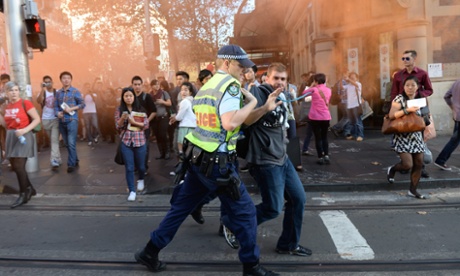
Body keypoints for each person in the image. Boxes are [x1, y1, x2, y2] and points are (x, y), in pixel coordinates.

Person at [134, 44, 281, 276]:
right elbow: (230, 123)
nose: (244, 71)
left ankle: (150, 251)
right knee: (246, 214)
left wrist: (263, 108)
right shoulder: (231, 86)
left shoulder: (208, 86)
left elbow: (236, 121)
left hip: (199, 160)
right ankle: (251, 267)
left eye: (246, 67)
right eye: (240, 66)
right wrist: (253, 103)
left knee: (181, 208)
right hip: (219, 165)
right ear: (226, 63)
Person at [245, 62, 311, 257]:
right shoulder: (257, 93)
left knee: (298, 199)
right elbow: (246, 120)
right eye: (276, 78)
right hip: (265, 161)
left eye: (283, 79)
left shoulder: (283, 96)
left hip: (282, 158)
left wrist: (294, 101)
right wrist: (266, 107)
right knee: (273, 208)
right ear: (267, 78)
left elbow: (290, 124)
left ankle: (288, 244)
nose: (279, 82)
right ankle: (234, 223)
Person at [391, 50, 433, 178]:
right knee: (404, 133)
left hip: (418, 106)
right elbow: (393, 92)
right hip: (402, 106)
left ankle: (421, 167)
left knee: (419, 134)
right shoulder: (398, 75)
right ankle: (406, 164)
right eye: (403, 58)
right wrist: (393, 107)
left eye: (407, 58)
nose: (404, 61)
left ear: (415, 59)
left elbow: (429, 90)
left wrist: (419, 95)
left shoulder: (422, 73)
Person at [386, 76, 427, 199]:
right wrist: (407, 110)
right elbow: (392, 115)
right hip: (402, 136)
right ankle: (392, 169)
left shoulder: (420, 99)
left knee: (419, 163)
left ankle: (413, 190)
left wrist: (429, 126)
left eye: (412, 85)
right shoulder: (399, 99)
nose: (410, 88)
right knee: (407, 164)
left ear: (417, 87)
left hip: (417, 135)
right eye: (407, 85)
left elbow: (426, 115)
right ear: (403, 87)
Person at [3, 81, 41, 208]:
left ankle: (23, 194)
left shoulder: (25, 103)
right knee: (15, 166)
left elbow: (37, 119)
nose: (13, 92)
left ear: (19, 91)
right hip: (11, 136)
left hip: (24, 136)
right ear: (6, 93)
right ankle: (30, 188)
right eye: (10, 90)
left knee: (19, 166)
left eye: (15, 90)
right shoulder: (6, 106)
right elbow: (4, 124)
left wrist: (24, 130)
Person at [115, 87, 149, 201]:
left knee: (141, 166)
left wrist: (133, 122)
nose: (128, 98)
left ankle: (141, 178)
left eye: (130, 96)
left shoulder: (141, 109)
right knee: (129, 167)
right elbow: (117, 126)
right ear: (123, 98)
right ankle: (132, 191)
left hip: (140, 141)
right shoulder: (119, 110)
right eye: (126, 96)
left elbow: (146, 125)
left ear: (134, 97)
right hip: (126, 142)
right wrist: (122, 119)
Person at [54, 71, 85, 173]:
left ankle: (71, 164)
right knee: (67, 143)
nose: (66, 80)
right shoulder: (58, 93)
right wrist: (57, 113)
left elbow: (82, 104)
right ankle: (75, 159)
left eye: (68, 78)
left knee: (71, 142)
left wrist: (72, 109)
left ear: (71, 80)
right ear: (61, 80)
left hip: (72, 120)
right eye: (64, 78)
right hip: (62, 120)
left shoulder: (75, 91)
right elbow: (55, 106)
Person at [303, 73, 332, 164]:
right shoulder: (329, 90)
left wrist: (311, 85)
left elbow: (304, 94)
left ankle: (320, 157)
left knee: (318, 137)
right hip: (326, 116)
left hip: (315, 117)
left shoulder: (314, 89)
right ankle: (326, 155)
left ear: (315, 81)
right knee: (324, 137)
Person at [131, 76, 156, 171]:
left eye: (139, 84)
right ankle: (136, 166)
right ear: (132, 85)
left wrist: (147, 122)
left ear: (142, 85)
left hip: (144, 127)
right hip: (132, 126)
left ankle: (143, 166)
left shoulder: (147, 96)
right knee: (133, 146)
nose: (137, 87)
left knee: (144, 147)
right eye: (135, 84)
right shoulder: (130, 96)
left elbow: (154, 111)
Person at [434, 79, 460, 170]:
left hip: (458, 116)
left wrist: (454, 108)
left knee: (455, 140)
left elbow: (446, 96)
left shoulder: (457, 82)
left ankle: (440, 160)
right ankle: (440, 160)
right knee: (454, 141)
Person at [36, 75, 62, 168]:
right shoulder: (42, 92)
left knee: (54, 140)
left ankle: (54, 159)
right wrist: (42, 89)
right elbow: (39, 101)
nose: (48, 83)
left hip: (55, 119)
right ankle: (58, 158)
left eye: (49, 81)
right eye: (46, 82)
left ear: (52, 82)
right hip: (45, 119)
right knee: (52, 140)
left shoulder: (57, 92)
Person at [169, 81, 196, 155]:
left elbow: (179, 117)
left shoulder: (185, 101)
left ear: (190, 92)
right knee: (190, 147)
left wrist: (174, 118)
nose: (183, 92)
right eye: (182, 90)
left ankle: (182, 161)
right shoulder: (192, 100)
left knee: (180, 144)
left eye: (186, 90)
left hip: (185, 126)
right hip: (193, 126)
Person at [150, 79, 171, 160]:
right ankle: (161, 153)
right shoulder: (150, 95)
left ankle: (167, 152)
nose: (157, 86)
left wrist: (163, 102)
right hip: (154, 118)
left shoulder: (163, 93)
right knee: (158, 136)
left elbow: (169, 103)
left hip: (163, 116)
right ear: (151, 86)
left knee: (163, 134)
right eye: (155, 84)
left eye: (158, 84)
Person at [343, 72, 364, 141]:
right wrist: (341, 79)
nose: (352, 78)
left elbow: (355, 84)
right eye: (351, 76)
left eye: (353, 76)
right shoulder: (348, 85)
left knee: (358, 121)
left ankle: (360, 135)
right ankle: (354, 135)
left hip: (356, 105)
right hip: (350, 106)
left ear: (357, 78)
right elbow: (342, 87)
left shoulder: (358, 84)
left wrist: (348, 79)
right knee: (352, 122)